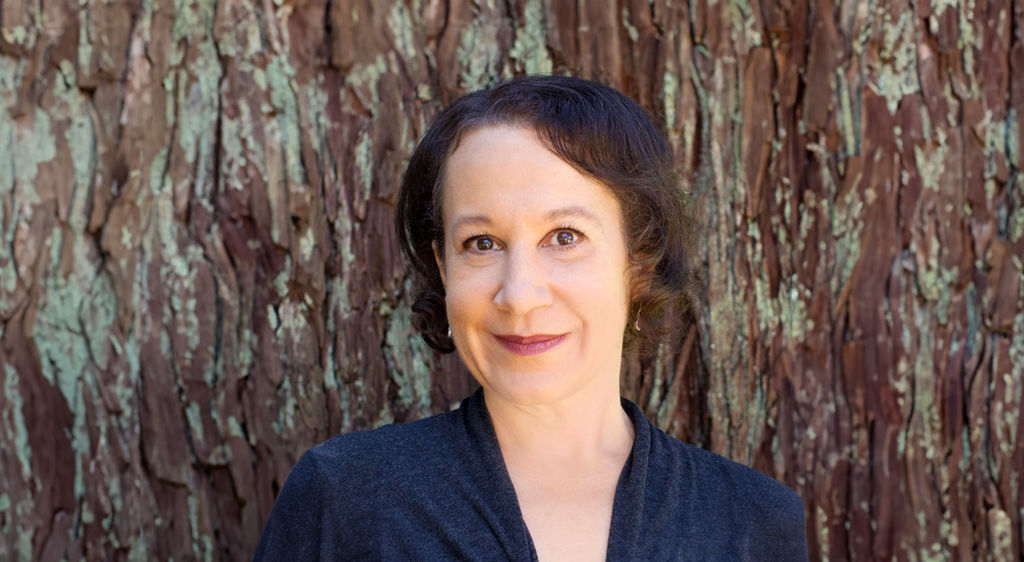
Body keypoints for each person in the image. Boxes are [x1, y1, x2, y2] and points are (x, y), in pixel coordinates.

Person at [253, 75, 808, 561]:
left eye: (564, 237)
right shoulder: (343, 496)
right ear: (443, 267)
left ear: (638, 260)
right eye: (481, 242)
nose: (518, 295)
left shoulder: (753, 522)